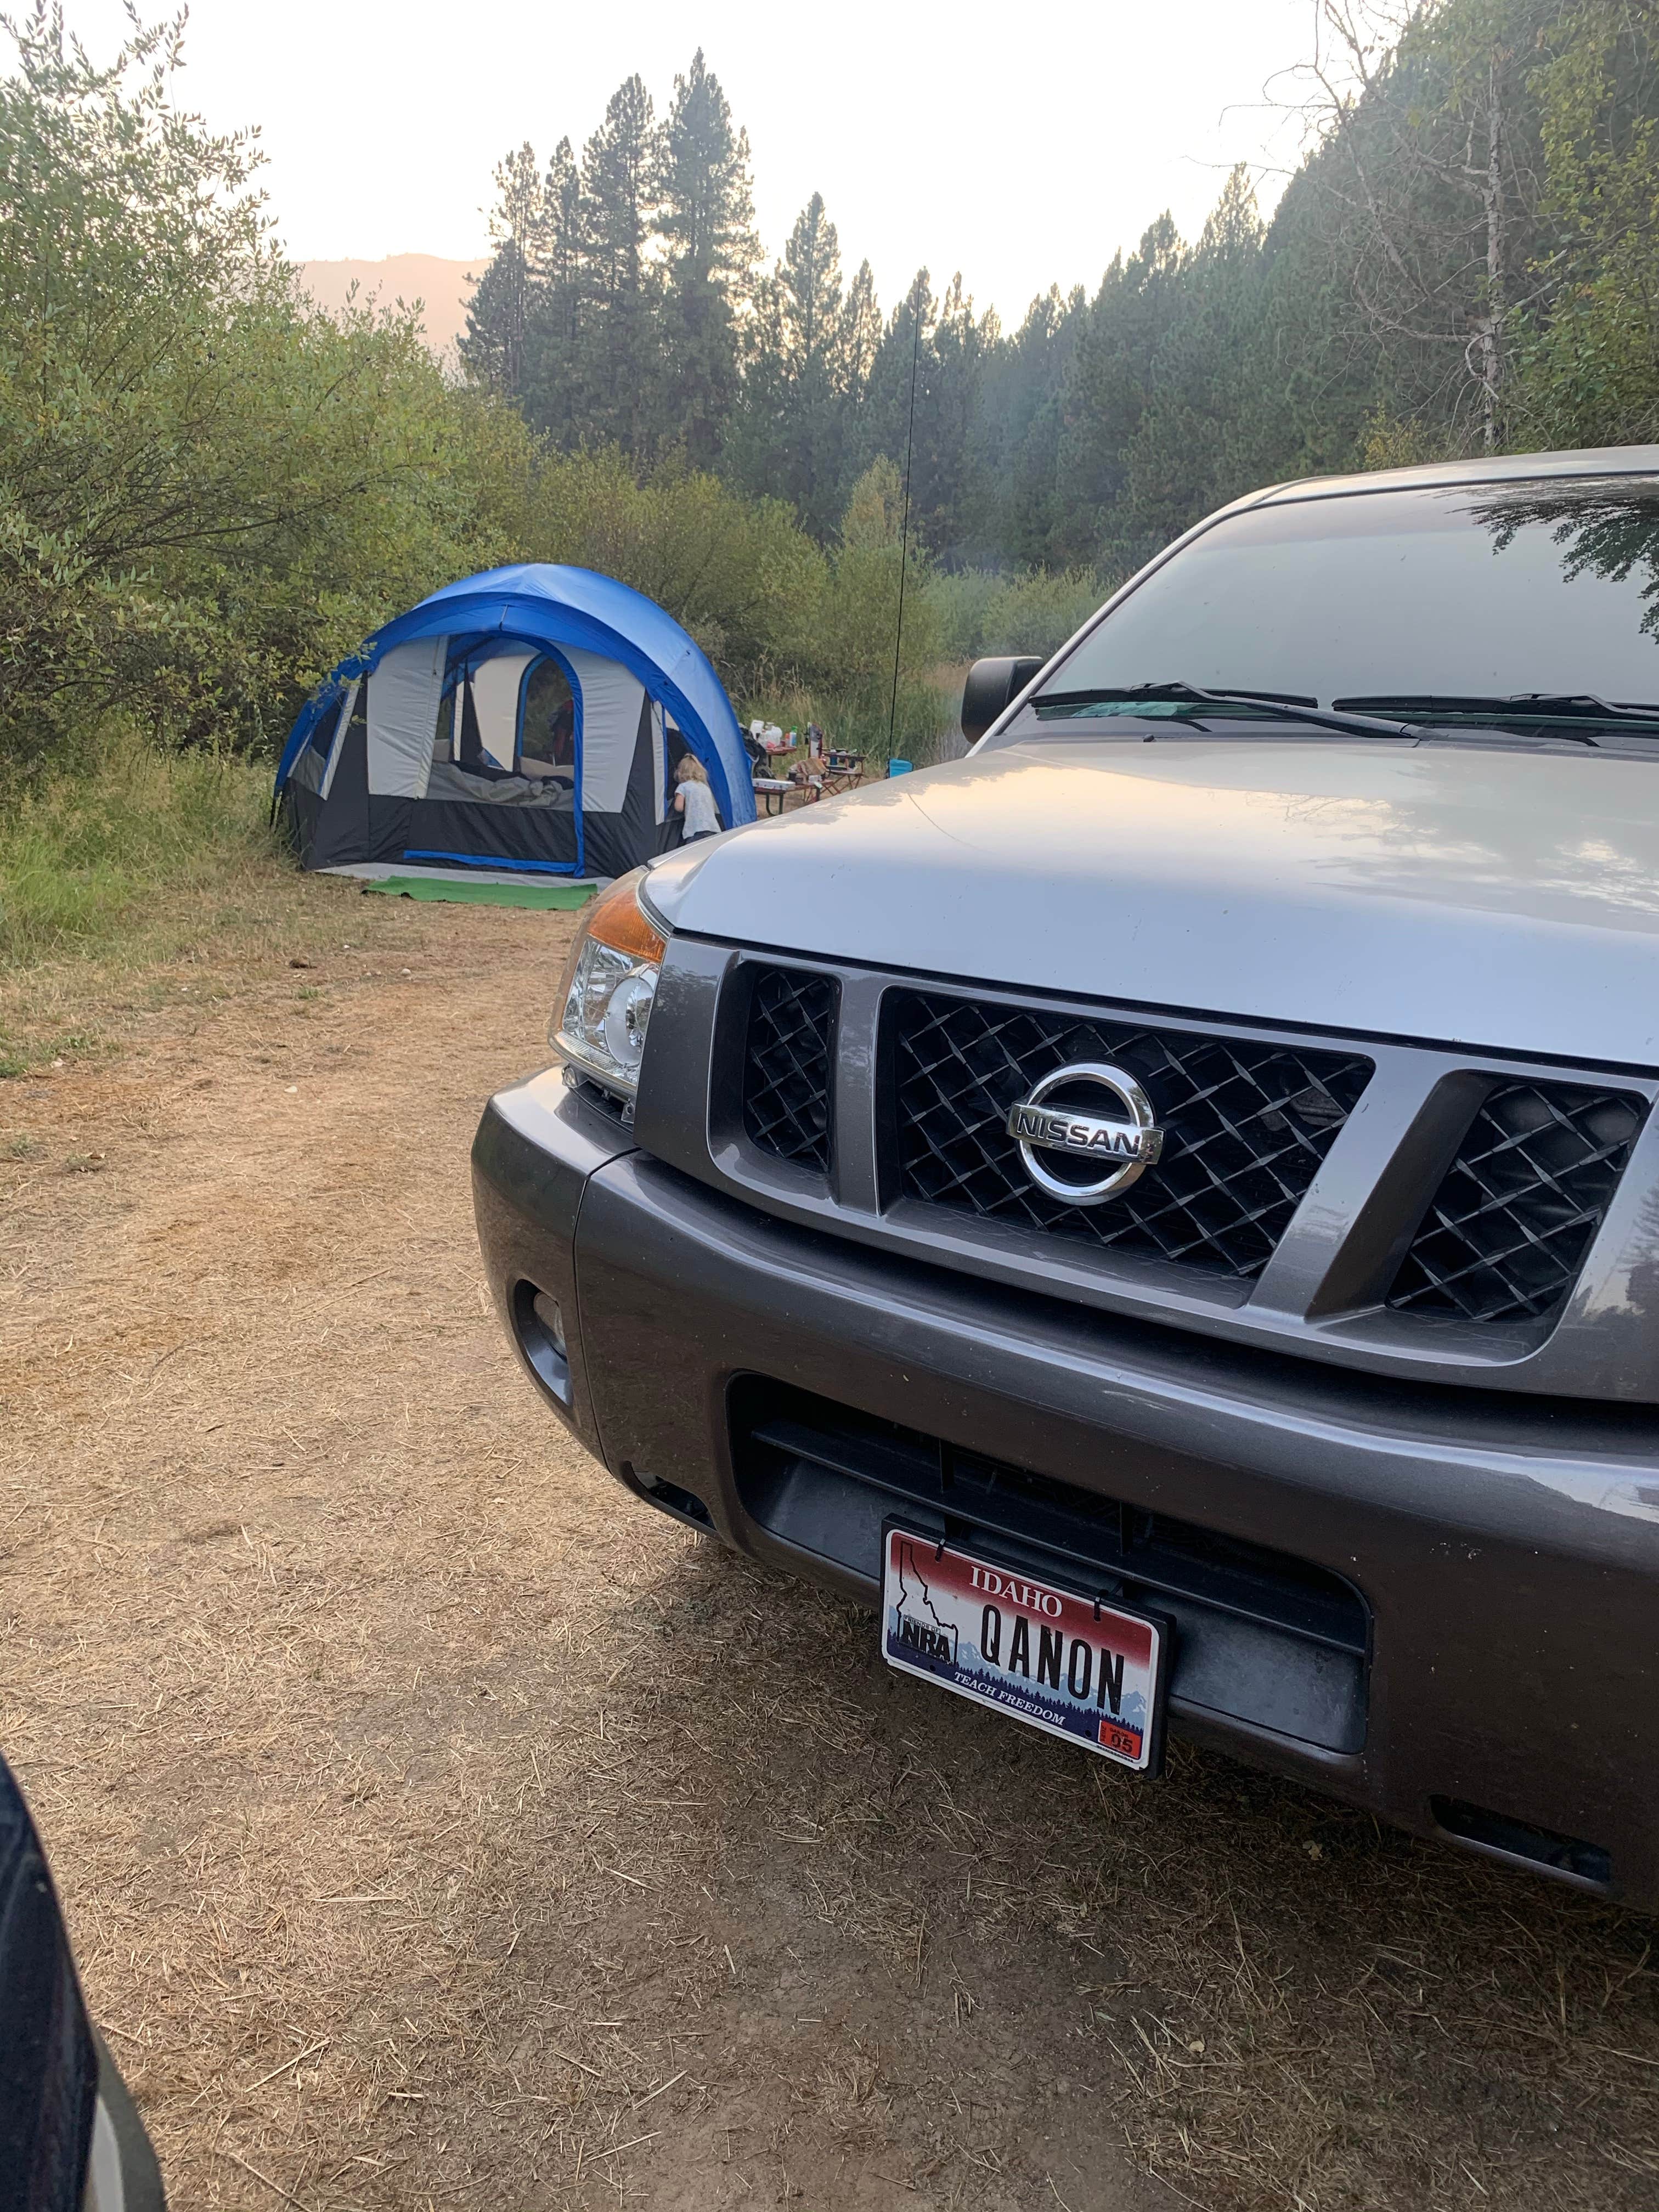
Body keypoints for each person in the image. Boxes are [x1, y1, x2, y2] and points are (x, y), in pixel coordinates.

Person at [674, 754, 721, 842]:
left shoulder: (683, 787)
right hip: (713, 829)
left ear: (681, 773)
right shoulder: (705, 787)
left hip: (695, 830)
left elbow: (679, 807)